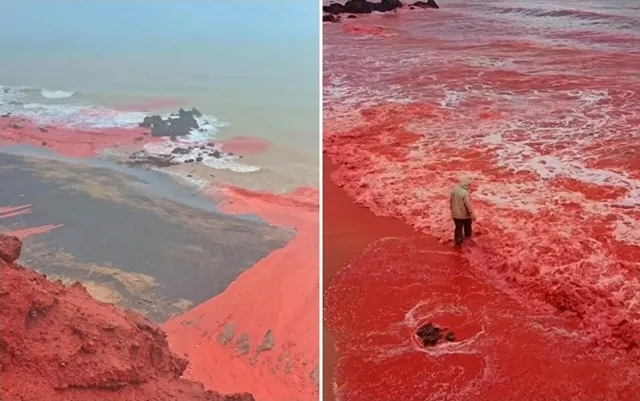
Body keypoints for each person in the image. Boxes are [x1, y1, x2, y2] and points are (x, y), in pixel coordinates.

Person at [450, 175, 476, 247]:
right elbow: (468, 206)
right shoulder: (465, 193)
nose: (469, 186)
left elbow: (451, 202)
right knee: (467, 227)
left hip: (455, 214)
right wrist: (473, 215)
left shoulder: (454, 190)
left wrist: (452, 210)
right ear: (466, 184)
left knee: (458, 228)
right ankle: (468, 242)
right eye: (469, 184)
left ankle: (458, 243)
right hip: (464, 215)